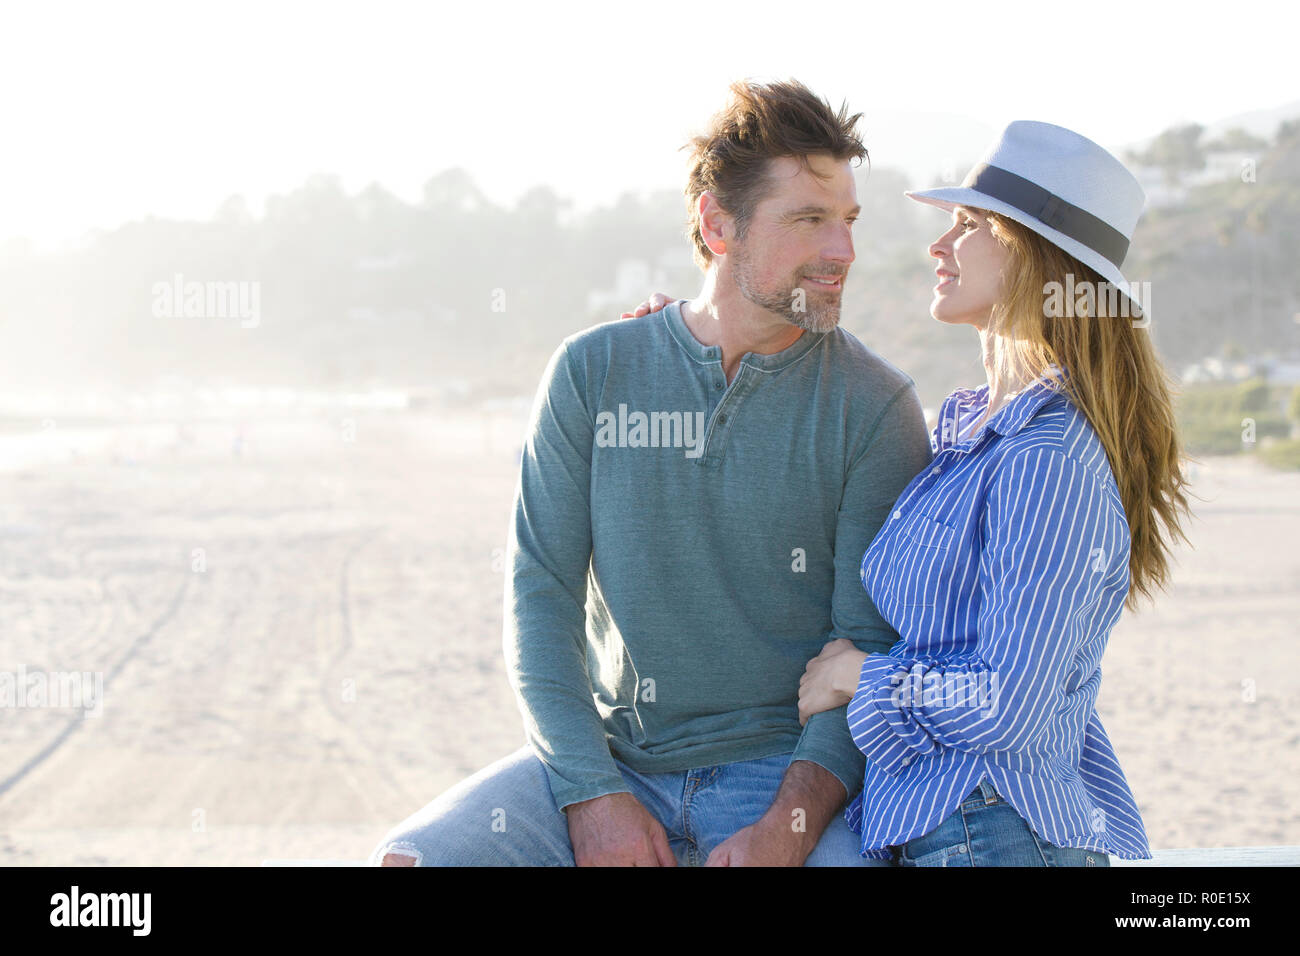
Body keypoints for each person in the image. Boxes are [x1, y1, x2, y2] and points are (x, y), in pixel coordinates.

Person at [367, 78, 933, 866]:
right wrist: (591, 793)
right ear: (717, 222)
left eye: (848, 221)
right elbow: (540, 597)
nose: (843, 252)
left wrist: (786, 827)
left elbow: (863, 641)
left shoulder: (876, 407)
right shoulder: (593, 371)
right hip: (616, 761)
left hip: (783, 777)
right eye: (809, 220)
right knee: (414, 860)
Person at [793, 120, 1193, 865]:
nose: (939, 245)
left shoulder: (1047, 456)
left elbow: (1009, 705)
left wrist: (862, 677)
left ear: (1035, 257)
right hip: (952, 831)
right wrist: (693, 337)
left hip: (993, 835)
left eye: (970, 224)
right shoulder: (971, 436)